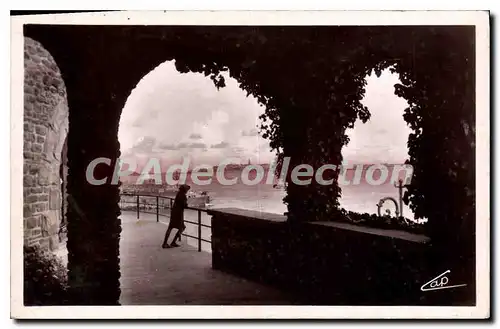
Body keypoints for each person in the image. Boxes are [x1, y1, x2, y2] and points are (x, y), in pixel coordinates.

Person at [162, 184, 190, 248]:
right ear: (185, 190)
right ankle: (173, 242)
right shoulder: (183, 196)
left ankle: (165, 243)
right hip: (179, 214)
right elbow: (185, 205)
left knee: (170, 227)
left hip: (174, 212)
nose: (187, 191)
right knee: (182, 227)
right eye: (187, 190)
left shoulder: (178, 194)